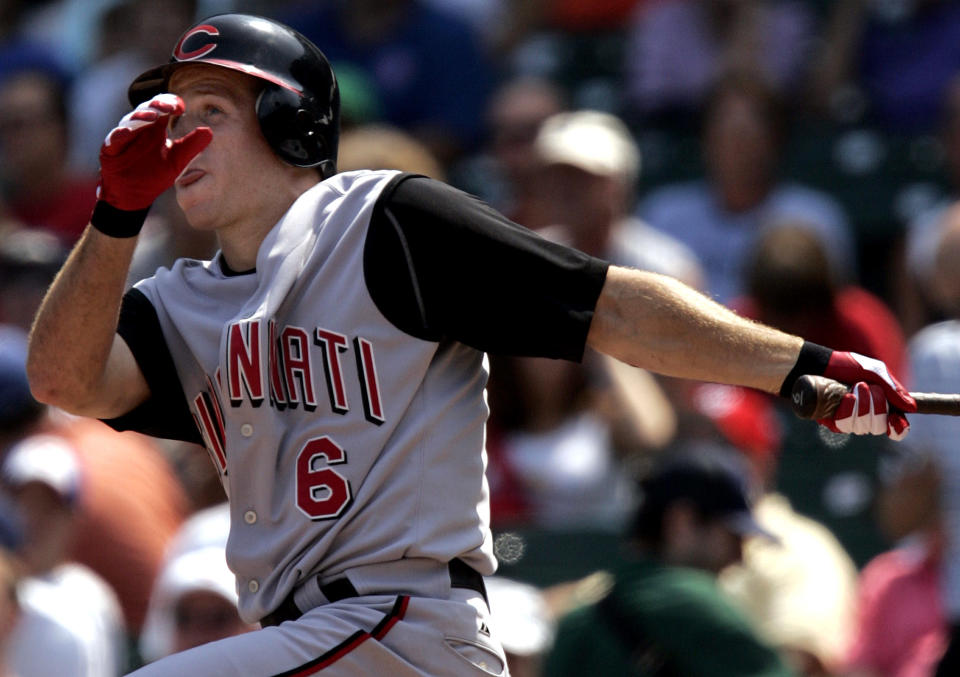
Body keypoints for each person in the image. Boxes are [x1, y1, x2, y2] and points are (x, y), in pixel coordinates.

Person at [25, 12, 916, 676]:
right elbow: (65, 380)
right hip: (306, 639)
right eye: (170, 116)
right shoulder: (183, 300)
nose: (179, 137)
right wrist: (115, 213)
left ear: (293, 125)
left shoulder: (382, 222)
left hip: (402, 627)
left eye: (209, 110)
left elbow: (609, 306)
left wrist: (796, 363)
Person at [544, 448, 794, 676]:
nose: (740, 556)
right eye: (733, 536)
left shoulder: (579, 617)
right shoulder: (694, 599)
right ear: (682, 522)